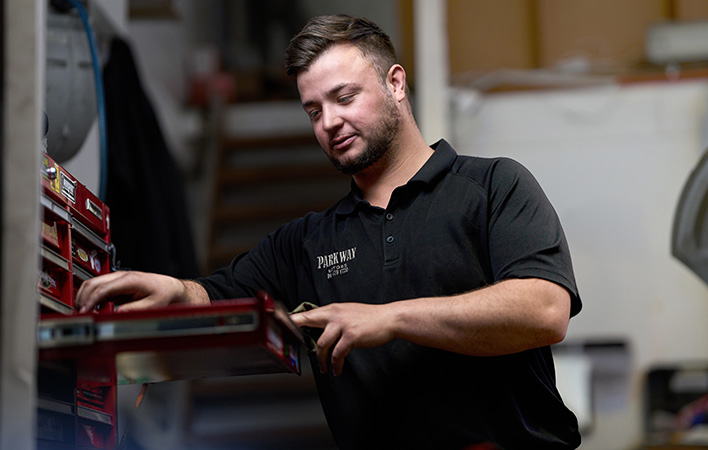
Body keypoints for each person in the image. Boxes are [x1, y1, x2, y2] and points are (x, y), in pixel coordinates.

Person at [77, 14, 582, 450]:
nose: (329, 123)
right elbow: (215, 297)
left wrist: (392, 319)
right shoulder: (308, 242)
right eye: (314, 110)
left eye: (344, 97)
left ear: (397, 84)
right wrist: (176, 290)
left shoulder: (493, 186)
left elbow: (543, 309)